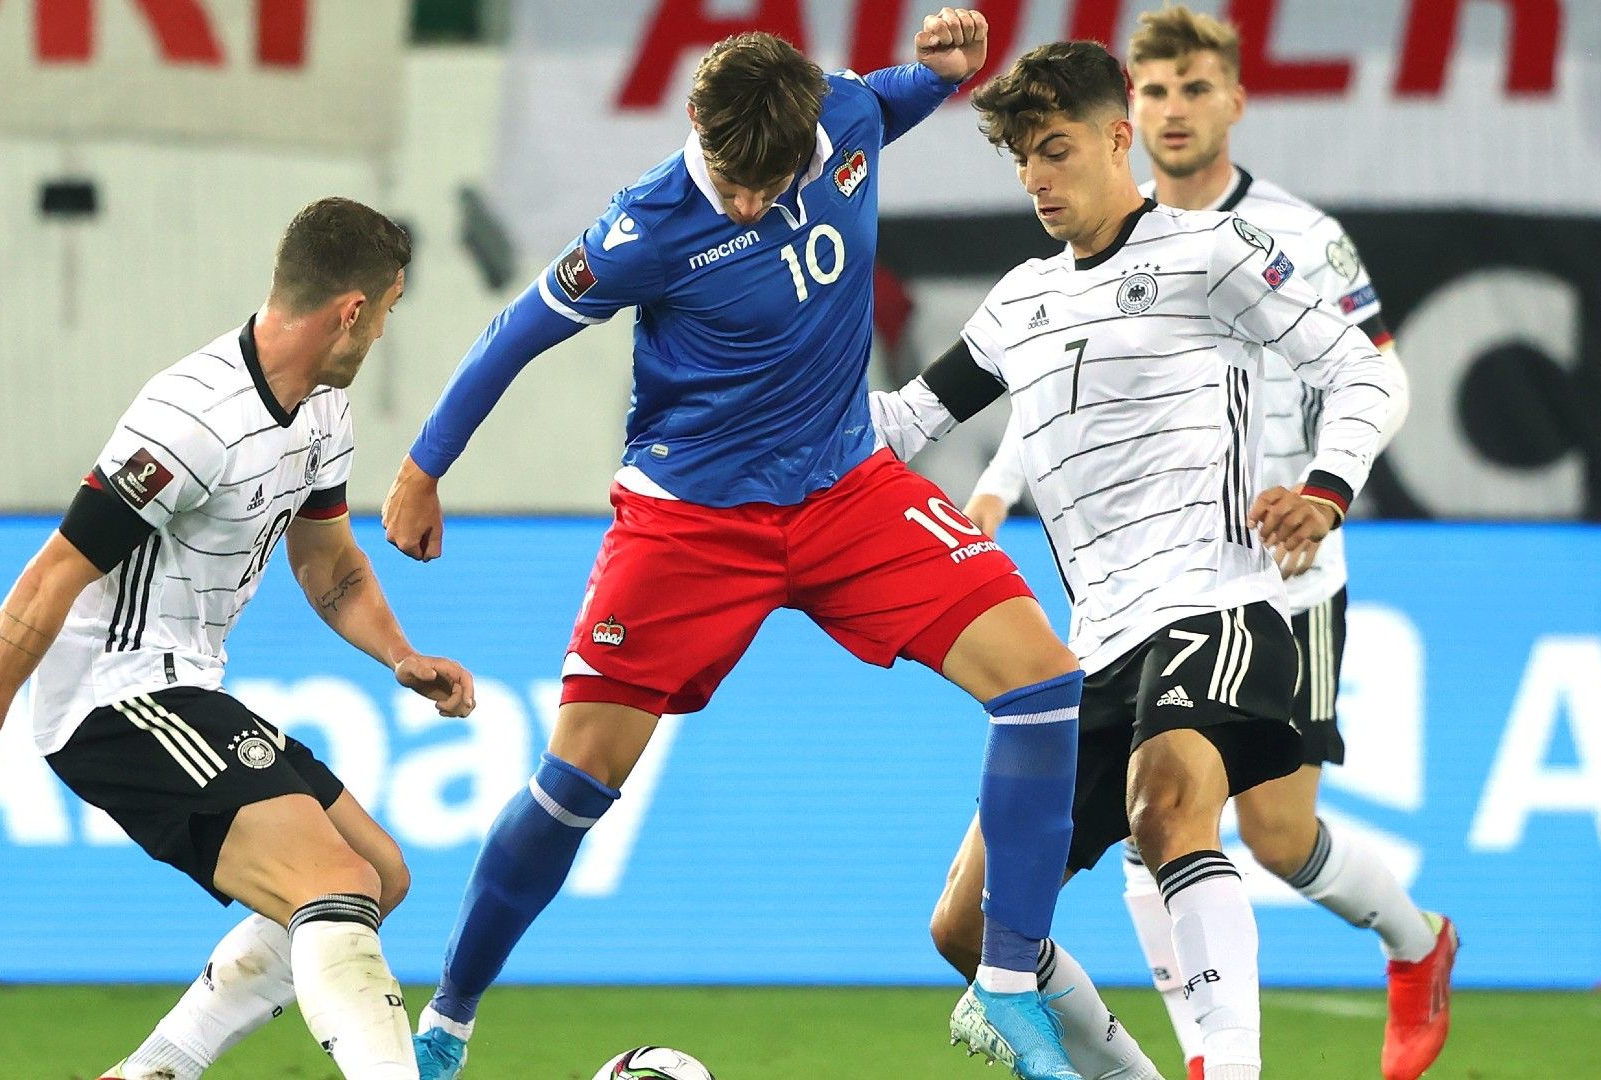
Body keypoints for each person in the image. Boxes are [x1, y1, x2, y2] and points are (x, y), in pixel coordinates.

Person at [381, 12, 1086, 1080]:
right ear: (694, 127)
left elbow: (901, 92)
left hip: (848, 491)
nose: (751, 201)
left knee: (1043, 684)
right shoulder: (644, 227)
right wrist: (424, 466)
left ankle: (1005, 985)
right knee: (575, 785)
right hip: (692, 524)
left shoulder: (843, 116)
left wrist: (942, 70)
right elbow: (515, 331)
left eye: (770, 181)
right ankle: (447, 1022)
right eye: (732, 180)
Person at [868, 39, 1406, 1080]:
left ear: (1118, 139)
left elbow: (1361, 375)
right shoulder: (1018, 302)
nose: (1036, 180)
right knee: (968, 927)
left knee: (1167, 808)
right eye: (1022, 157)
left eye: (1055, 150)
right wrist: (771, 380)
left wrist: (1326, 489)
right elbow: (900, 425)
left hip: (1219, 602)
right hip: (1093, 645)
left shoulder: (1212, 255)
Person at [0, 197, 476, 1080]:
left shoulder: (323, 414)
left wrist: (400, 655)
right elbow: (50, 577)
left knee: (379, 875)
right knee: (334, 888)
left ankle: (151, 1072)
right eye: (387, 311)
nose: (383, 332)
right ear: (351, 310)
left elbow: (329, 564)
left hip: (185, 686)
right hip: (112, 695)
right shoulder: (193, 415)